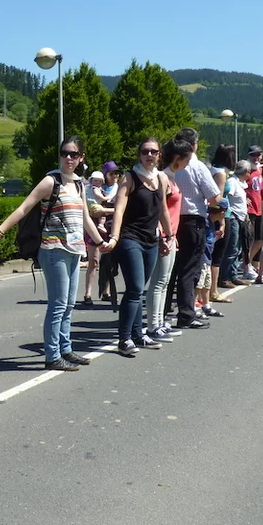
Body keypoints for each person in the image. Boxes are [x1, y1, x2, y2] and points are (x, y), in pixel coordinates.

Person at [0, 137, 107, 370]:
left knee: (69, 304)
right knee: (58, 304)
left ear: (81, 158)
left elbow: (85, 218)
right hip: (53, 249)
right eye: (65, 153)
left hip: (75, 250)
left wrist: (100, 242)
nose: (69, 158)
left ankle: (65, 349)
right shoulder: (50, 181)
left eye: (74, 154)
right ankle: (52, 356)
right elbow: (24, 208)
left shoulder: (79, 185)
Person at [102, 138, 173, 356]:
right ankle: (124, 339)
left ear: (159, 155)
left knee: (139, 289)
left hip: (151, 240)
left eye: (153, 151)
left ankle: (137, 335)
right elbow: (119, 209)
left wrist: (169, 235)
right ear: (139, 154)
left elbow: (163, 209)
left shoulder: (161, 178)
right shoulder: (130, 177)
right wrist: (114, 237)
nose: (149, 155)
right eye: (145, 151)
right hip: (130, 239)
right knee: (134, 288)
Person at [168, 128, 221, 329]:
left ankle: (165, 310)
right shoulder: (197, 167)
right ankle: (186, 313)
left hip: (173, 219)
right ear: (194, 145)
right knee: (190, 270)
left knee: (172, 269)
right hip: (193, 219)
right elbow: (214, 197)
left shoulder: (169, 165)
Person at [145, 139, 190, 342]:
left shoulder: (171, 178)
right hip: (163, 236)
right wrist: (164, 235)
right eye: (186, 159)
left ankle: (160, 322)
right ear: (177, 158)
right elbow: (158, 210)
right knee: (159, 282)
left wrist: (173, 236)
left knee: (164, 282)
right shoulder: (162, 178)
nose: (187, 163)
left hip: (170, 236)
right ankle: (153, 326)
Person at [81, 169, 114, 305]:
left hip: (109, 225)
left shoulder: (119, 188)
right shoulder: (90, 189)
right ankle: (88, 294)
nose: (115, 176)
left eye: (117, 173)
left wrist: (105, 210)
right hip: (93, 223)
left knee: (109, 261)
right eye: (112, 173)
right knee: (93, 261)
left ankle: (106, 291)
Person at [209, 144, 235, 304]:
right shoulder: (220, 174)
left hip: (214, 215)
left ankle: (209, 290)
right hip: (222, 215)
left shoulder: (211, 170)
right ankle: (213, 291)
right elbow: (218, 199)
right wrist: (222, 221)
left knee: (211, 254)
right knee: (217, 256)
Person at [220, 162, 251, 286]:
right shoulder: (232, 182)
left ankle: (233, 275)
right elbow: (226, 197)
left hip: (239, 218)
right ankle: (224, 277)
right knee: (232, 248)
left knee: (237, 248)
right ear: (245, 172)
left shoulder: (239, 183)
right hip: (233, 217)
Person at [244, 146, 263, 280]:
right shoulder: (246, 169)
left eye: (258, 155)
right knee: (250, 239)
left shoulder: (260, 169)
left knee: (260, 238)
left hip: (259, 208)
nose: (256, 157)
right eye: (253, 155)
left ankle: (253, 263)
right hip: (250, 209)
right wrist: (244, 197)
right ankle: (246, 264)